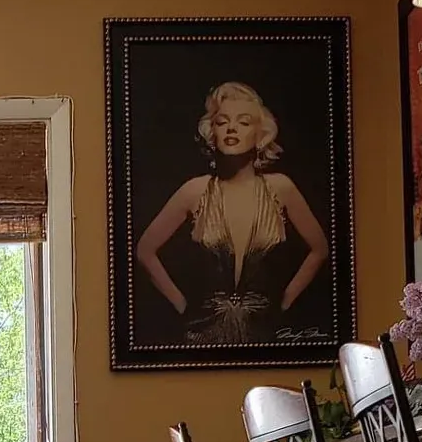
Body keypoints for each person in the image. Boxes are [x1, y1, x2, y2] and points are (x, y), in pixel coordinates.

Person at [134, 81, 330, 347]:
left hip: (266, 334)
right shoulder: (194, 190)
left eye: (244, 122)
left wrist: (283, 303)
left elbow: (320, 249)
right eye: (222, 122)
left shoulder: (281, 188)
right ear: (211, 133)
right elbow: (145, 250)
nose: (231, 128)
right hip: (201, 337)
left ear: (261, 135)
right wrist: (184, 308)